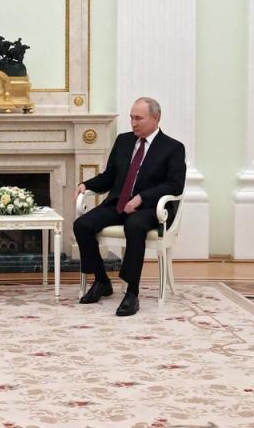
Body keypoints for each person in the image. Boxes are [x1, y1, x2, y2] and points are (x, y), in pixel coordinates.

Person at [73, 97, 186, 316]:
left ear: (155, 118)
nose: (133, 123)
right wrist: (86, 185)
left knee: (134, 226)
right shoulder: (123, 141)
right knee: (82, 225)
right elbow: (109, 177)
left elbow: (174, 184)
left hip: (150, 210)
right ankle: (102, 281)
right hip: (118, 204)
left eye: (138, 118)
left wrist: (142, 198)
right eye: (131, 117)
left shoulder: (173, 148)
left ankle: (132, 293)